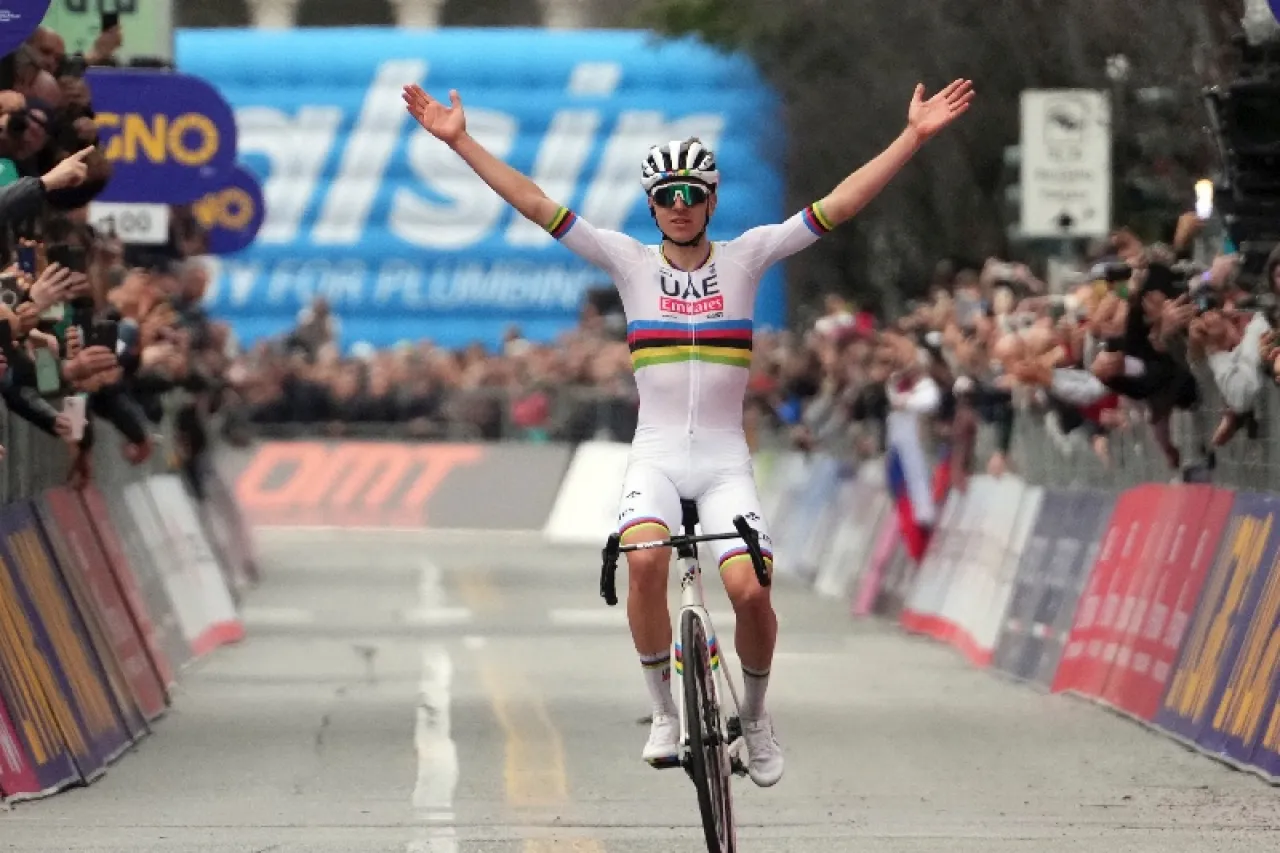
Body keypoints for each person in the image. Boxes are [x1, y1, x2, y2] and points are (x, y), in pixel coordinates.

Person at [403, 77, 974, 787]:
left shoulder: (749, 255)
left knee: (751, 595)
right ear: (651, 206)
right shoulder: (627, 262)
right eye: (666, 197)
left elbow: (841, 204)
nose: (678, 208)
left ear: (710, 199)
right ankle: (665, 711)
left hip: (726, 463)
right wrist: (461, 144)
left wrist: (912, 137)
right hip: (659, 459)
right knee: (643, 563)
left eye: (691, 195)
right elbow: (534, 203)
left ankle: (757, 716)